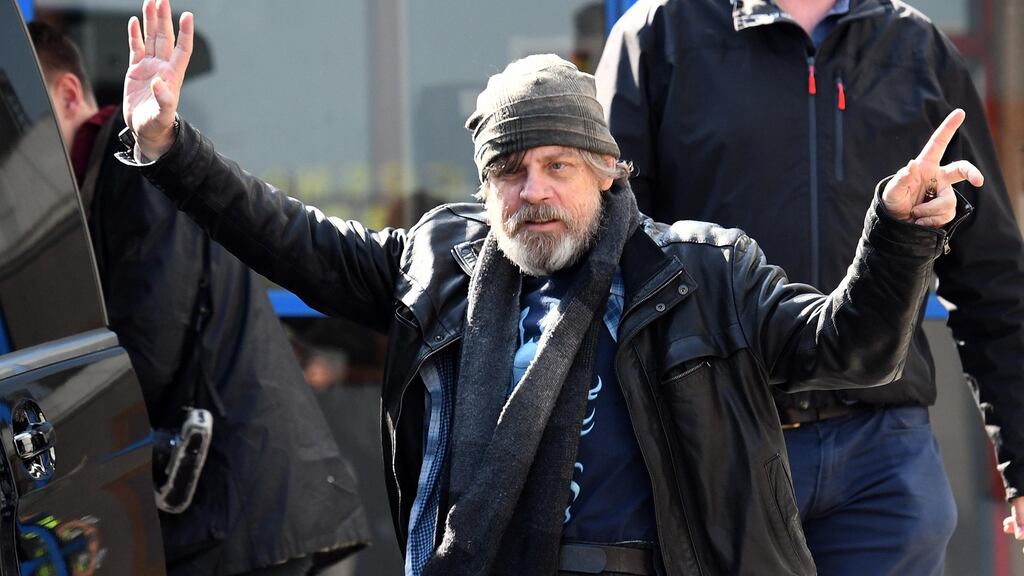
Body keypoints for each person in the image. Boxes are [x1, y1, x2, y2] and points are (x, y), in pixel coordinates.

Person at [116, 1, 981, 574]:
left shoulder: (704, 270)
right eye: (509, 170)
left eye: (556, 164)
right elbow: (283, 235)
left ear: (607, 171)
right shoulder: (439, 262)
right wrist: (168, 143)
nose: (532, 191)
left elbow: (853, 349)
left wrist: (899, 236)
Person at [594, 0, 1024, 572]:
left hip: (884, 454)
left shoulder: (915, 45)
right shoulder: (657, 33)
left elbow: (990, 275)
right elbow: (608, 250)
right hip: (721, 438)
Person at [28, 21, 370, 576]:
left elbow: (149, 342)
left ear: (68, 94)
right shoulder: (104, 175)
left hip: (247, 517)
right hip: (252, 510)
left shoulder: (129, 161)